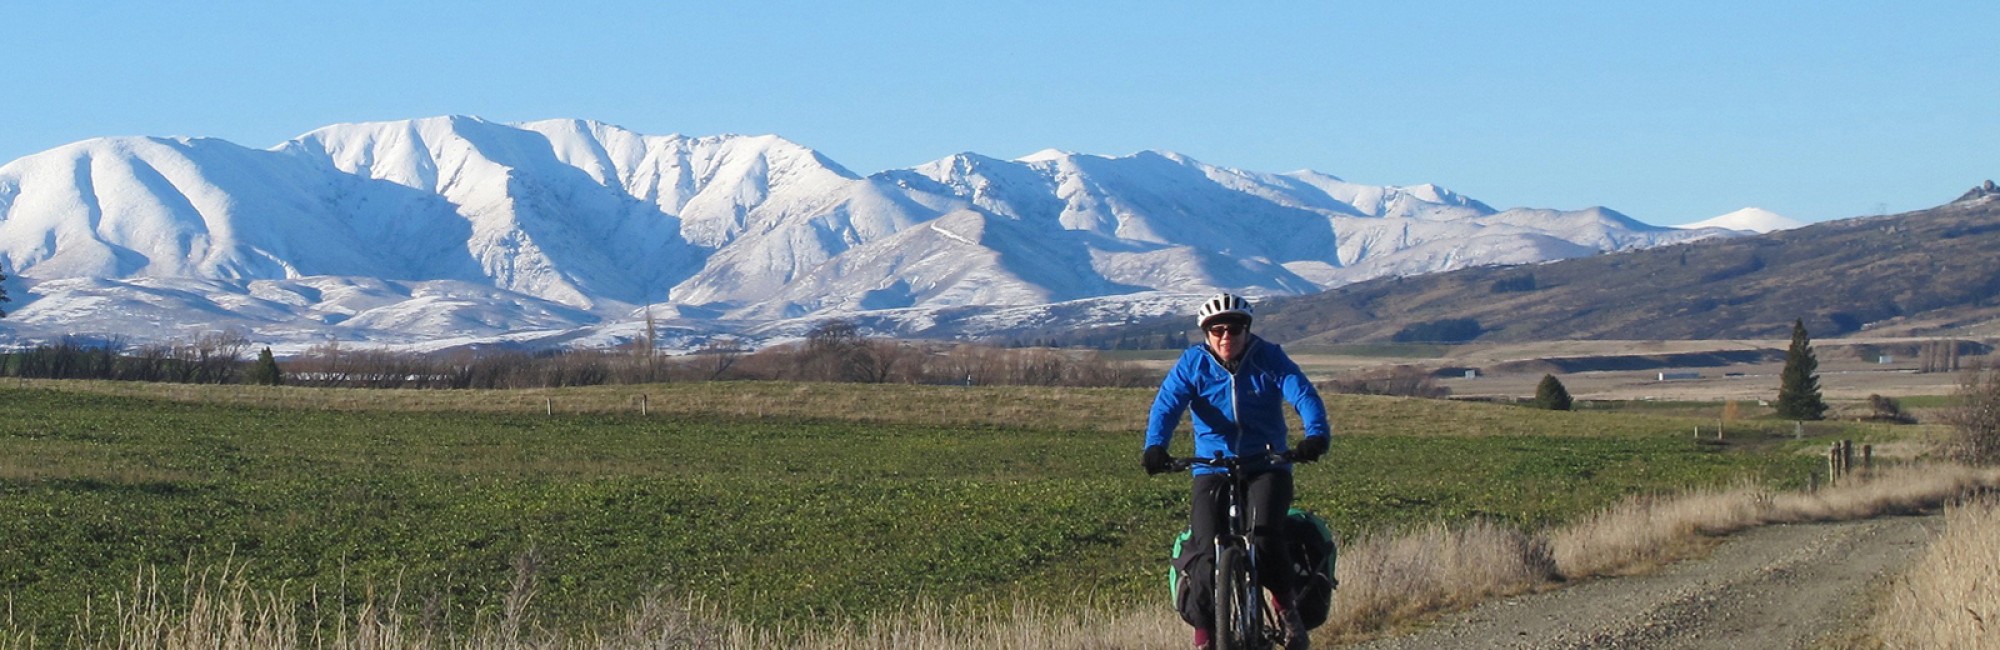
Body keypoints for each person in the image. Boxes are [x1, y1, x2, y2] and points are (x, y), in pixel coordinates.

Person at [1144, 293, 1331, 650]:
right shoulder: (1192, 364)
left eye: (1235, 328)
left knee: (1265, 537)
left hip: (1266, 463)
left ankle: (1289, 616)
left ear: (1247, 330)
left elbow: (1303, 394)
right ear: (1206, 334)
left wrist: (1316, 436)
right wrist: (1155, 447)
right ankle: (1204, 636)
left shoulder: (1268, 357)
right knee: (1204, 549)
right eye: (1217, 330)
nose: (1226, 336)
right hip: (1211, 466)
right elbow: (1167, 405)